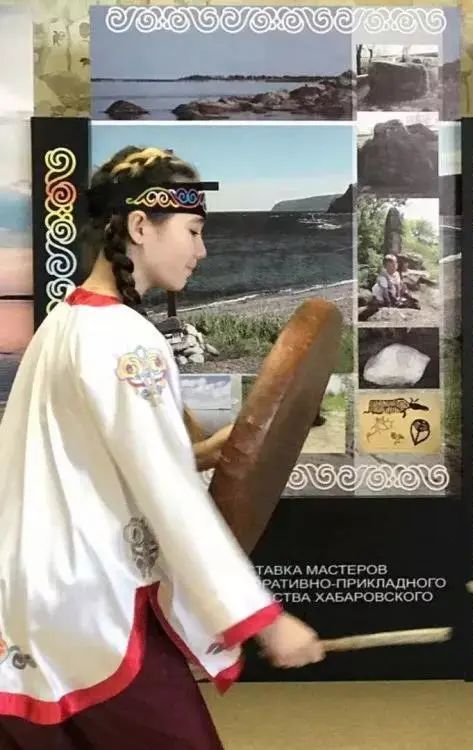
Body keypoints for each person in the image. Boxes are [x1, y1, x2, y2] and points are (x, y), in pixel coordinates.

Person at [0, 146, 324, 749]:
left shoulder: (64, 323)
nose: (203, 251)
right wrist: (261, 617)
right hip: (92, 611)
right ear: (140, 226)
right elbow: (170, 497)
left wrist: (205, 451)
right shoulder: (128, 342)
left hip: (29, 610)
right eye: (194, 231)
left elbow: (97, 460)